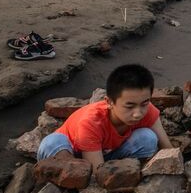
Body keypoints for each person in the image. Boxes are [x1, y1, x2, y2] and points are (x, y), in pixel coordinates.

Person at [36, 64, 172, 166]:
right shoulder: (91, 122)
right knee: (52, 142)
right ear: (109, 102)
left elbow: (168, 149)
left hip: (108, 156)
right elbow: (97, 173)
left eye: (144, 103)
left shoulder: (147, 110)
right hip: (72, 157)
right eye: (129, 106)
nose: (138, 113)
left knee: (147, 138)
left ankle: (130, 173)